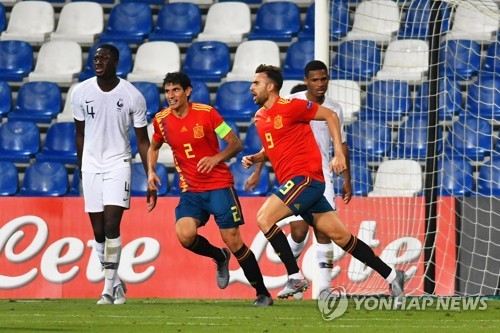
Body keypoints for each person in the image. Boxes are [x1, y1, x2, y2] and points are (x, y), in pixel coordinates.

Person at [242, 64, 405, 307]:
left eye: (256, 83)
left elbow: (330, 115)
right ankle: (392, 276)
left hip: (306, 179)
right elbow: (274, 148)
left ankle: (295, 277)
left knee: (264, 218)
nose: (251, 87)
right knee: (342, 237)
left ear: (271, 86)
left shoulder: (291, 106)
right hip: (296, 183)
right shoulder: (261, 117)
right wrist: (257, 158)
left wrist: (338, 154)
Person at [146, 72, 273, 307]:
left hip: (218, 186)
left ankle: (262, 292)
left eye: (175, 90)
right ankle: (219, 256)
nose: (171, 95)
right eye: (167, 91)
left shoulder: (206, 113)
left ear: (187, 91)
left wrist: (217, 158)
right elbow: (153, 147)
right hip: (191, 190)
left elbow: (236, 143)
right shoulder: (161, 120)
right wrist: (151, 172)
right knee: (184, 235)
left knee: (233, 241)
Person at [244, 60, 353, 300]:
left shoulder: (334, 108)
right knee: (299, 230)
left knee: (325, 233)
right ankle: (292, 273)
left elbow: (342, 144)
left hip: (323, 173)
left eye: (324, 79)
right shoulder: (294, 102)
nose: (320, 84)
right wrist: (257, 169)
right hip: (298, 175)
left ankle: (322, 289)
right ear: (307, 81)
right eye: (315, 79)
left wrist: (347, 178)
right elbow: (272, 141)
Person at [73, 44, 150, 305]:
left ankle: (106, 289)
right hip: (91, 166)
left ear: (116, 62)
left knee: (111, 225)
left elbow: (142, 140)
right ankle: (116, 283)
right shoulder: (80, 92)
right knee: (97, 232)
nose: (98, 61)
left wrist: (150, 173)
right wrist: (82, 167)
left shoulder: (132, 95)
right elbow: (80, 134)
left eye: (104, 58)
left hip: (118, 164)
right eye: (95, 58)